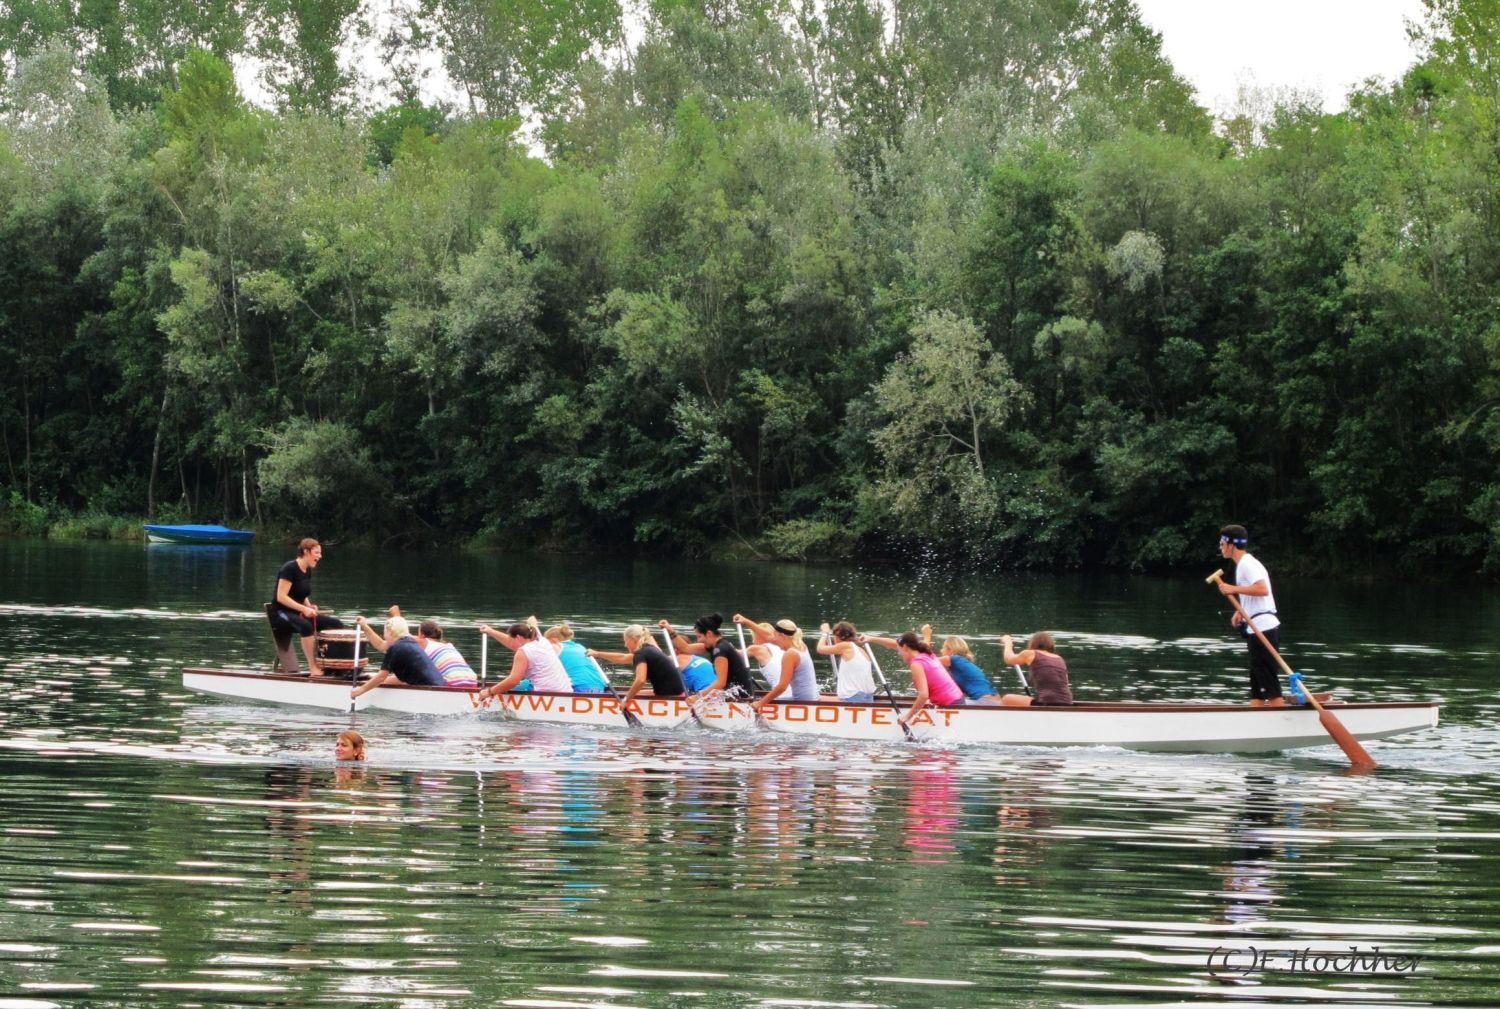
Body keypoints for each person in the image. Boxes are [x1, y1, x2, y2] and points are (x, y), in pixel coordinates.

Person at [1216, 524, 1284, 706]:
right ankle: (1256, 716)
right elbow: (1256, 593)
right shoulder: (1245, 564)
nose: (1220, 547)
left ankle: (1280, 721)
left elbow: (1262, 589)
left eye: (1222, 543)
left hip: (1264, 628)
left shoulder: (1247, 564)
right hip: (1257, 628)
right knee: (1257, 685)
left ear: (1231, 545)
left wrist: (1233, 589)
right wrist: (1241, 611)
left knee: (1268, 683)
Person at [270, 538, 343, 676]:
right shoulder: (289, 568)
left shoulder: (307, 570)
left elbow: (302, 593)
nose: (320, 556)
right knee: (306, 627)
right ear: (306, 552)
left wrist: (309, 606)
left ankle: (330, 665)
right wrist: (304, 609)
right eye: (317, 553)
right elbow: (281, 596)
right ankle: (313, 668)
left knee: (336, 624)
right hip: (281, 615)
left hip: (297, 614)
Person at [863, 630, 965, 726]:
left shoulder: (916, 664)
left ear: (906, 647)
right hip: (958, 699)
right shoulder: (926, 652)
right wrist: (870, 639)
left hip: (951, 704)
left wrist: (907, 716)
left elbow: (923, 695)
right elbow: (893, 644)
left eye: (899, 650)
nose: (899, 653)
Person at [734, 614, 820, 714]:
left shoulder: (790, 654)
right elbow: (768, 636)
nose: (772, 640)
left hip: (803, 701)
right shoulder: (801, 644)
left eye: (775, 635)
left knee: (760, 700)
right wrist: (745, 621)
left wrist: (759, 704)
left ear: (782, 636)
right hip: (812, 696)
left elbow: (782, 687)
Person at [587, 624, 686, 711]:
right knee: (632, 692)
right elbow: (623, 658)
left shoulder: (641, 653)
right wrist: (597, 653)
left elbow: (640, 680)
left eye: (626, 641)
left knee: (629, 695)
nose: (625, 645)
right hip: (677, 691)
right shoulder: (650, 649)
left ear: (634, 639)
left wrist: (626, 700)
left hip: (671, 695)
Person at [661, 613, 756, 703]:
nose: (698, 640)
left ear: (709, 633)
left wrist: (698, 696)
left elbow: (720, 683)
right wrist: (670, 630)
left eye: (699, 636)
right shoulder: (718, 645)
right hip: (734, 693)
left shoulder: (720, 651)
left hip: (741, 697)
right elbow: (686, 648)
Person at [475, 621, 573, 703]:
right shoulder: (542, 641)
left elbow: (513, 680)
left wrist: (489, 692)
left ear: (518, 637)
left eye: (510, 639)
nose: (509, 643)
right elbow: (532, 620)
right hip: (567, 692)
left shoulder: (523, 651)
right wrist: (490, 631)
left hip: (548, 695)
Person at [350, 614, 446, 697]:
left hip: (430, 690)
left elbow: (381, 677)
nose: (384, 636)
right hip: (440, 686)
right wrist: (365, 626)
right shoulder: (410, 642)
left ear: (390, 632)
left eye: (384, 632)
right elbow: (381, 645)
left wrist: (360, 690)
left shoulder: (396, 647)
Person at [923, 624, 1001, 704]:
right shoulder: (963, 662)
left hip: (985, 702)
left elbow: (925, 661)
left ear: (950, 650)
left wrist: (927, 636)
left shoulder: (954, 659)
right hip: (995, 701)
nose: (941, 650)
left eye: (943, 647)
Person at [999, 632, 1073, 706]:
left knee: (1006, 699)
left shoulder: (1031, 653)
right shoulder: (1059, 659)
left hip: (1048, 702)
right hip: (1068, 702)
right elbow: (1065, 683)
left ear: (1033, 643)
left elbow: (1008, 659)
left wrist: (1008, 642)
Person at [816, 621, 876, 702]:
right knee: (820, 697)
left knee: (815, 698)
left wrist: (825, 633)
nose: (833, 638)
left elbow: (820, 649)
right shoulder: (860, 650)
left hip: (854, 698)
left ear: (838, 636)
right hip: (867, 698)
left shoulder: (846, 646)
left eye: (834, 636)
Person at [545, 623, 610, 693]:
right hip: (599, 687)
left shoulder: (555, 647)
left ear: (554, 639)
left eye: (546, 641)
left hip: (577, 687)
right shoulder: (580, 647)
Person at [417, 619, 478, 688]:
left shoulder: (425, 642)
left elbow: (405, 638)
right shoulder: (449, 646)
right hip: (473, 682)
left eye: (418, 633)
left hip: (453, 683)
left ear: (422, 635)